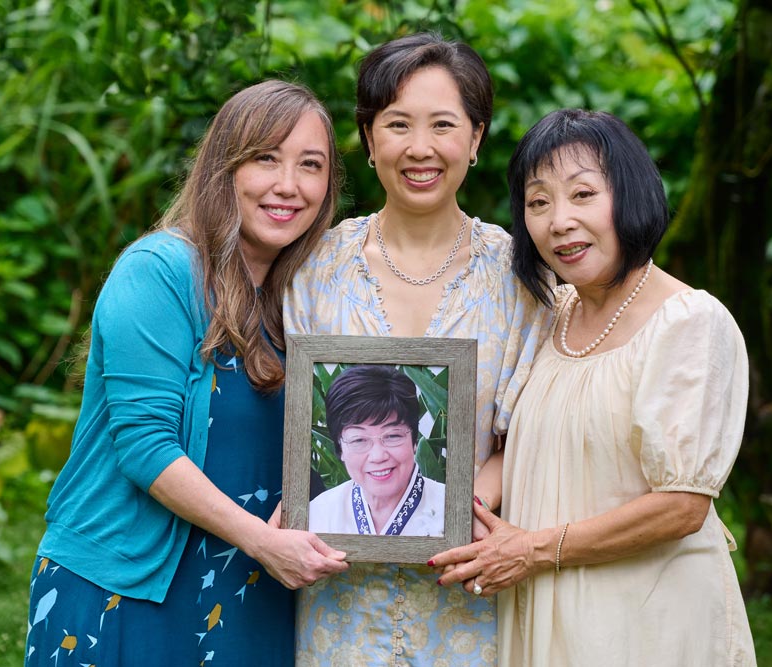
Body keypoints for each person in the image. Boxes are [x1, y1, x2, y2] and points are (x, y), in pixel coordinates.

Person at [24, 80, 349, 667]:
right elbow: (146, 446)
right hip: (126, 589)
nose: (288, 185)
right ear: (224, 169)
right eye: (265, 159)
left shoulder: (303, 298)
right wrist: (264, 542)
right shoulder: (158, 271)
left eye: (311, 165)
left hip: (247, 590)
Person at [430, 108, 757, 665]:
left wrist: (532, 549)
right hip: (543, 609)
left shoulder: (688, 323)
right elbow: (525, 446)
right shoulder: (549, 314)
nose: (559, 221)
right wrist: (451, 511)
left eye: (583, 195)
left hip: (646, 619)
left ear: (631, 196)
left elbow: (681, 506)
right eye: (538, 202)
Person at [282, 32, 551, 666]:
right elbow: (292, 420)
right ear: (369, 138)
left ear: (476, 138)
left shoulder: (522, 277)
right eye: (397, 124)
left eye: (443, 125)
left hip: (463, 594)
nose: (420, 148)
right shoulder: (315, 268)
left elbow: (530, 433)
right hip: (337, 600)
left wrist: (448, 512)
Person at [309, 365, 445, 536]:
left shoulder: (453, 509)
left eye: (392, 436)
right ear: (340, 447)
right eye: (359, 440)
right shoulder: (317, 515)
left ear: (414, 440)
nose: (378, 456)